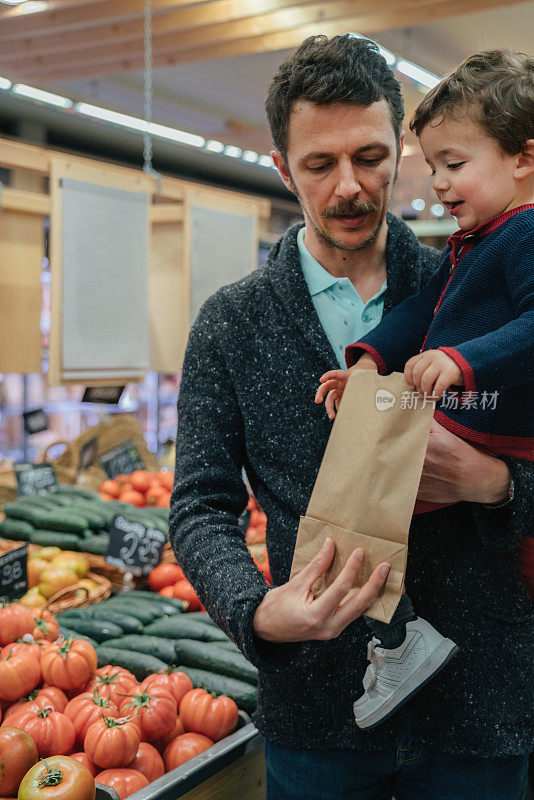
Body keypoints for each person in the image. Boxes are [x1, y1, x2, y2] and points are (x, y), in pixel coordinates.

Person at [170, 34, 533, 800]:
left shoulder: (478, 287)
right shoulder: (231, 325)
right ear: (281, 168)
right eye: (318, 164)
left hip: (480, 708)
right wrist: (256, 611)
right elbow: (201, 507)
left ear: (400, 156)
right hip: (318, 716)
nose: (348, 188)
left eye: (370, 157)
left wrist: (498, 485)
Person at [315, 48, 534, 732]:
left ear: (523, 158)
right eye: (431, 165)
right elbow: (416, 314)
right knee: (358, 496)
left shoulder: (526, 232)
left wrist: (461, 362)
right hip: (464, 419)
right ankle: (397, 634)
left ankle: (397, 638)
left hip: (493, 421)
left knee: (356, 497)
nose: (438, 183)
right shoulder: (471, 243)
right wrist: (366, 361)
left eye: (455, 164)